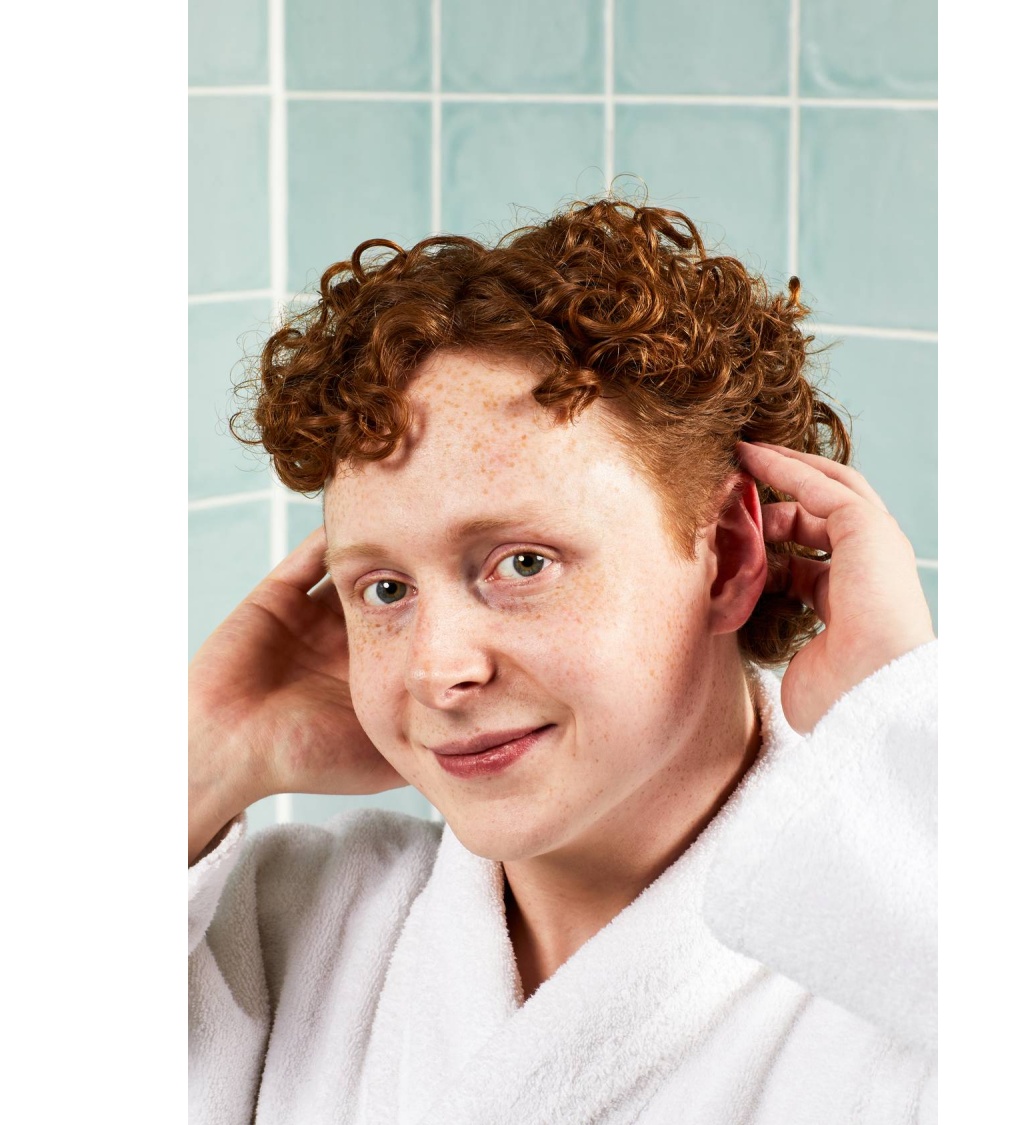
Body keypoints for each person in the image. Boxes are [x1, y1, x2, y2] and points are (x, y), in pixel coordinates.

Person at [189, 198, 937, 1123]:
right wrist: (202, 757)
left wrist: (893, 723)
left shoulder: (905, 975)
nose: (437, 670)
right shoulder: (290, 932)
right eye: (384, 588)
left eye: (523, 563)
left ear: (728, 556)